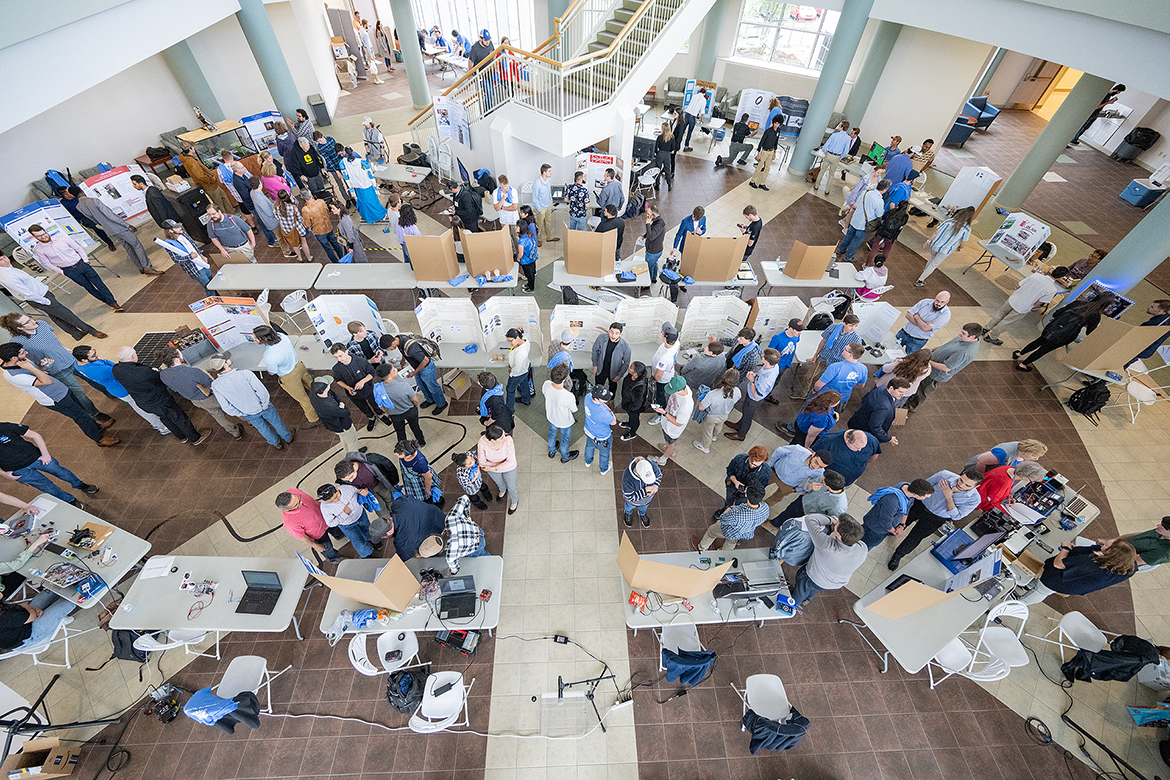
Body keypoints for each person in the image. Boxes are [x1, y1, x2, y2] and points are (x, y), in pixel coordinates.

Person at [0, 343, 118, 445]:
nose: (25, 352)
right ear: (13, 358)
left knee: (83, 410)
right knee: (80, 417)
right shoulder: (15, 376)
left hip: (62, 390)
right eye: (22, 352)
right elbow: (46, 381)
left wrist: (44, 365)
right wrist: (31, 368)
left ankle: (97, 428)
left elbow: (42, 373)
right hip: (55, 399)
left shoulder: (22, 361)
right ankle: (99, 439)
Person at [3, 313, 107, 418]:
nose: (33, 321)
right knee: (79, 393)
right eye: (27, 322)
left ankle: (110, 393)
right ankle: (95, 414)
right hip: (58, 370)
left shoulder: (42, 324)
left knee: (93, 378)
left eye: (30, 318)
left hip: (71, 359)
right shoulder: (18, 342)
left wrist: (63, 348)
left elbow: (53, 337)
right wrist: (43, 367)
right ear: (20, 328)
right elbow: (25, 360)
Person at [887, 469, 984, 570]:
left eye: (967, 485)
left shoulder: (974, 500)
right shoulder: (944, 475)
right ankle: (891, 531)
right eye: (961, 480)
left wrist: (948, 496)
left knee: (915, 537)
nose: (961, 485)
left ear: (976, 487)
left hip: (936, 518)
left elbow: (956, 516)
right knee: (901, 521)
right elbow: (924, 486)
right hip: (920, 505)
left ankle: (898, 555)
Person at [0, 253, 105, 341]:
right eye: (1, 259)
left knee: (56, 316)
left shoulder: (9, 269)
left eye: (4, 257)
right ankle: (91, 331)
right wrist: (45, 301)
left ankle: (76, 334)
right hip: (40, 298)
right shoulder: (7, 276)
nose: (6, 260)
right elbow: (26, 293)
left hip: (42, 294)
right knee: (66, 314)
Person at [72, 346, 169, 435]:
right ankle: (160, 426)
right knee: (141, 407)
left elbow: (106, 361)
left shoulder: (79, 364)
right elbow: (119, 372)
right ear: (84, 359)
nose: (96, 355)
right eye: (93, 355)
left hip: (115, 388)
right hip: (123, 389)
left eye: (95, 352)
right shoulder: (99, 371)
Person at [27, 224, 122, 311]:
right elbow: (47, 263)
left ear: (46, 231)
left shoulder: (62, 239)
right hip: (68, 270)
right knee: (89, 287)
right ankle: (106, 301)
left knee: (99, 283)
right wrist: (62, 272)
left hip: (81, 264)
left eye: (44, 233)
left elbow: (78, 248)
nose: (43, 237)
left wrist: (85, 261)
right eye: (39, 236)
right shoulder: (39, 249)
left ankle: (113, 302)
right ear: (34, 237)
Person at [0, 423, 98, 506]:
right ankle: (70, 500)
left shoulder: (4, 426)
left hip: (38, 458)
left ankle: (80, 484)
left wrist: (45, 454)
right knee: (47, 487)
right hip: (17, 471)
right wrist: (3, 474)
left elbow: (35, 435)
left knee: (61, 472)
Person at [155, 346, 242, 439]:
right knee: (235, 406)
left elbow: (175, 389)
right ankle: (250, 421)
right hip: (211, 397)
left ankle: (235, 432)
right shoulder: (191, 371)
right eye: (180, 353)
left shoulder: (163, 375)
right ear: (176, 360)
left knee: (217, 415)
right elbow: (210, 383)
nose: (182, 354)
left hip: (195, 400)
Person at [1014, 293, 1115, 371]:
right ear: (1106, 305)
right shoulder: (1096, 315)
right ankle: (1023, 365)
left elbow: (1056, 313)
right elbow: (1090, 332)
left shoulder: (1079, 303)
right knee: (1043, 350)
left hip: (1052, 327)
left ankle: (1019, 353)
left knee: (1039, 341)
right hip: (1064, 336)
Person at [207, 356, 292, 449]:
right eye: (227, 358)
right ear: (225, 363)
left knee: (262, 429)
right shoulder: (245, 373)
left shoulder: (215, 385)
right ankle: (288, 437)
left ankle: (276, 443)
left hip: (248, 413)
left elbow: (226, 406)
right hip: (263, 407)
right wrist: (264, 404)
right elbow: (261, 391)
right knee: (276, 422)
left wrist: (242, 413)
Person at [1022, 540, 1137, 604]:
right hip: (1076, 582)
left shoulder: (1090, 563)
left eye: (1107, 545)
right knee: (1037, 585)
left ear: (1111, 553)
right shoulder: (1126, 566)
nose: (1104, 543)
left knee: (1041, 591)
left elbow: (1058, 563)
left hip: (1058, 581)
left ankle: (1021, 602)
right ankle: (1028, 586)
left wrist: (1066, 548)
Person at [74, 190, 158, 274]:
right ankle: (147, 267)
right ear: (81, 191)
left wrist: (104, 225)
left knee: (128, 248)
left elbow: (93, 219)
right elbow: (110, 215)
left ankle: (140, 267)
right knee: (137, 245)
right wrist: (127, 225)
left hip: (109, 230)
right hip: (118, 227)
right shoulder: (93, 200)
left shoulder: (79, 207)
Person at [983, 266, 1072, 345]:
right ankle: (991, 336)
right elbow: (1038, 303)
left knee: (1000, 314)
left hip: (1013, 299)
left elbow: (1018, 285)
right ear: (1061, 278)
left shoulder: (1036, 275)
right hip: (1023, 307)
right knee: (1006, 322)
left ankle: (986, 328)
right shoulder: (1052, 289)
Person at [905, 323, 983, 412]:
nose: (960, 334)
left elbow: (946, 367)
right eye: (962, 331)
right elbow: (945, 346)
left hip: (935, 375)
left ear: (973, 337)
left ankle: (910, 407)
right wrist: (930, 350)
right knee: (917, 385)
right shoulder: (963, 338)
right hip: (930, 366)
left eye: (964, 333)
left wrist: (927, 361)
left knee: (922, 391)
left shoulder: (964, 352)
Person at [253, 325, 320, 427]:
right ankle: (325, 399)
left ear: (263, 339)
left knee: (303, 398)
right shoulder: (282, 336)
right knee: (313, 386)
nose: (254, 339)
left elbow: (272, 372)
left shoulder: (269, 356)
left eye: (255, 337)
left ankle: (313, 419)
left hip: (289, 377)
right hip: (298, 366)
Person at [418, 495, 487, 574]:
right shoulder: (451, 518)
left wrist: (451, 573)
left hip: (477, 546)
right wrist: (467, 516)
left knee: (483, 556)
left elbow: (455, 569)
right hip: (478, 530)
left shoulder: (451, 556)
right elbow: (464, 498)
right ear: (433, 535)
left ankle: (490, 564)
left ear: (439, 551)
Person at [725, 347, 781, 441]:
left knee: (748, 416)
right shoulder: (773, 365)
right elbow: (762, 372)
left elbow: (757, 396)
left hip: (754, 399)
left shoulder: (767, 380)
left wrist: (752, 382)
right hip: (752, 392)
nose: (761, 356)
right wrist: (755, 375)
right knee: (744, 410)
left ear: (766, 361)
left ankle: (741, 435)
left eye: (763, 356)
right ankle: (739, 425)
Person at [861, 479, 935, 550]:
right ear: (916, 495)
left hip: (883, 528)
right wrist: (894, 531)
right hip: (875, 529)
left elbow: (907, 509)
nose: (928, 497)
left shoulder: (908, 489)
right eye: (926, 496)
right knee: (864, 546)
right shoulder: (892, 502)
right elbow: (885, 522)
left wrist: (901, 525)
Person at [276, 489, 344, 563]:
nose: (301, 502)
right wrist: (315, 546)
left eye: (299, 498)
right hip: (319, 536)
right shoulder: (289, 522)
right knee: (328, 550)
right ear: (287, 510)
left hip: (327, 518)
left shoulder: (293, 490)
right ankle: (335, 559)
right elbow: (302, 537)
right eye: (297, 504)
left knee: (338, 532)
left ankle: (339, 536)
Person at [767, 469, 848, 531]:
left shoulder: (839, 506)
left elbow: (829, 521)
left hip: (808, 516)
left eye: (822, 480)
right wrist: (809, 486)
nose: (820, 479)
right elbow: (806, 486)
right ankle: (774, 524)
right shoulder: (824, 478)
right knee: (786, 513)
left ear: (828, 487)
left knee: (795, 527)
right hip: (802, 501)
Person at [386, 333, 447, 413]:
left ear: (392, 343)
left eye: (390, 349)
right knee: (421, 385)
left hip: (426, 368)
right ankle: (430, 400)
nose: (391, 350)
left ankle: (441, 403)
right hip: (417, 366)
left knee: (432, 387)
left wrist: (414, 372)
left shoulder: (412, 349)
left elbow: (425, 360)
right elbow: (403, 350)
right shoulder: (398, 339)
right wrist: (403, 360)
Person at [696, 484, 768, 552]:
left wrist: (730, 508)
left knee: (711, 532)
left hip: (728, 531)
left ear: (746, 495)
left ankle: (702, 549)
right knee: (731, 542)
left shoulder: (737, 514)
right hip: (744, 532)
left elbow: (723, 519)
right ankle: (722, 554)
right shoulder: (765, 508)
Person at [330, 343, 385, 431]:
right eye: (336, 357)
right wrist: (347, 387)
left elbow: (372, 373)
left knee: (375, 403)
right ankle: (371, 418)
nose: (339, 359)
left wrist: (362, 382)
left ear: (346, 352)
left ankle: (381, 415)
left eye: (340, 356)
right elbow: (338, 380)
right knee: (363, 407)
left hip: (368, 389)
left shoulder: (360, 361)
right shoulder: (336, 368)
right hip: (353, 394)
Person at [316, 483, 379, 558]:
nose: (336, 501)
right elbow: (330, 524)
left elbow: (359, 494)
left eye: (336, 497)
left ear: (336, 488)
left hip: (361, 515)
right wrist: (345, 513)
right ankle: (367, 555)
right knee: (359, 542)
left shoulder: (348, 489)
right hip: (347, 525)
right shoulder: (324, 507)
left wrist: (364, 493)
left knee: (369, 530)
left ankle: (373, 541)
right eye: (332, 501)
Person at [152, 219, 215, 295]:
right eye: (176, 227)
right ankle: (216, 303)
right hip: (195, 269)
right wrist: (190, 257)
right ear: (170, 231)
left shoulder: (183, 233)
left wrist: (201, 256)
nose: (180, 228)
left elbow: (193, 245)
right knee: (209, 287)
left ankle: (220, 299)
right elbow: (176, 260)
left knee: (213, 283)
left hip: (203, 263)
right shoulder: (170, 244)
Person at [834, 179, 889, 262]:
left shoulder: (866, 193)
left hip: (855, 219)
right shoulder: (879, 201)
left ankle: (841, 249)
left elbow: (856, 204)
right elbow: (879, 214)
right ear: (885, 190)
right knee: (856, 240)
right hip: (864, 225)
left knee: (848, 235)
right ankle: (848, 257)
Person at [916, 207, 974, 285]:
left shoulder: (948, 221)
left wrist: (928, 240)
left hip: (936, 245)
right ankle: (921, 279)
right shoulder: (967, 229)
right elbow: (962, 241)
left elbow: (936, 232)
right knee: (934, 265)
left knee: (931, 259)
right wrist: (960, 247)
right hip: (947, 250)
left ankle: (925, 272)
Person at [0, 596, 77, 655]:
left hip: (19, 623)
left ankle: (59, 617)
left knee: (52, 590)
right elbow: (30, 613)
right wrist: (31, 610)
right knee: (70, 600)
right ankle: (59, 617)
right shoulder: (5, 618)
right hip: (27, 636)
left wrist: (31, 610)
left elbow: (23, 605)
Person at [764, 445, 830, 510]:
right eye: (816, 462)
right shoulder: (797, 450)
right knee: (760, 484)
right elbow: (779, 451)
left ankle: (760, 508)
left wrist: (798, 489)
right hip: (775, 472)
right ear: (813, 454)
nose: (816, 467)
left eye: (820, 466)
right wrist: (769, 466)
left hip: (789, 485)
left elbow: (813, 483)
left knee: (776, 498)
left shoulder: (820, 472)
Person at [373, 364, 426, 445]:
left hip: (395, 415)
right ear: (389, 377)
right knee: (415, 427)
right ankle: (421, 443)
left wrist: (388, 412)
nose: (396, 370)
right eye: (394, 370)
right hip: (410, 411)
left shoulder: (378, 389)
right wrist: (415, 405)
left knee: (400, 432)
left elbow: (380, 405)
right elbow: (415, 399)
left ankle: (404, 448)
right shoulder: (404, 386)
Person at [848, 377, 909, 446]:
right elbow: (875, 427)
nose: (903, 395)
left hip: (858, 420)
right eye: (900, 391)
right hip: (864, 430)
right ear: (891, 388)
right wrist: (888, 438)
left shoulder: (882, 388)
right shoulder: (884, 406)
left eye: (904, 392)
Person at [691, 368, 740, 454]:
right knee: (719, 426)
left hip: (711, 416)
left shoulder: (712, 394)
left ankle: (705, 446)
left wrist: (700, 399)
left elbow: (701, 407)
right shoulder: (738, 392)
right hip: (725, 415)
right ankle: (715, 436)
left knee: (707, 432)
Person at [715, 445, 771, 519]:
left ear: (763, 461)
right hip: (732, 486)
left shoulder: (766, 472)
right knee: (729, 500)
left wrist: (749, 489)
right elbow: (730, 470)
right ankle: (725, 510)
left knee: (740, 506)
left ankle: (733, 517)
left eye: (755, 465)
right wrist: (735, 481)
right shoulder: (739, 458)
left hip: (746, 495)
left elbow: (762, 486)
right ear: (749, 455)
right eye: (751, 462)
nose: (752, 465)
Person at [805, 342, 868, 407]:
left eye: (846, 349)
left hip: (824, 399)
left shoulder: (835, 367)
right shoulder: (863, 369)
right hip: (841, 400)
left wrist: (814, 391)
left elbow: (818, 385)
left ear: (850, 355)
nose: (843, 349)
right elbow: (861, 385)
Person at [55, 186, 116, 251]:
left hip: (90, 213)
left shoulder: (77, 196)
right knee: (95, 226)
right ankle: (109, 242)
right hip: (82, 218)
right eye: (69, 191)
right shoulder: (64, 204)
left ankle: (111, 229)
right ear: (65, 194)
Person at [477, 425, 519, 514]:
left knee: (512, 486)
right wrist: (502, 463)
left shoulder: (508, 440)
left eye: (504, 434)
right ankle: (502, 490)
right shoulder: (482, 441)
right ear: (492, 440)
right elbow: (482, 462)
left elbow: (510, 462)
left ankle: (514, 501)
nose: (505, 437)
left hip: (508, 468)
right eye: (502, 437)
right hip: (493, 469)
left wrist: (493, 466)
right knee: (499, 482)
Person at [976, 460, 1047, 512]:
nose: (1030, 482)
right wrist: (1007, 511)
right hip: (978, 499)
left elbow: (1006, 487)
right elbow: (992, 501)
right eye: (1031, 480)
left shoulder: (1011, 469)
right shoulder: (1004, 482)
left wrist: (1008, 495)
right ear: (1025, 476)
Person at [310, 381, 360, 454]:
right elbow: (345, 413)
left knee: (344, 439)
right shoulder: (328, 406)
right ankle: (355, 459)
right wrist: (342, 407)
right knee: (352, 441)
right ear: (324, 390)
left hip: (334, 426)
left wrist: (339, 403)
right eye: (327, 386)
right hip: (343, 425)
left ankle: (348, 453)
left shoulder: (314, 395)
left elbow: (333, 395)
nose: (329, 386)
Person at [653, 375, 692, 466]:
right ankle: (670, 449)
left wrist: (664, 414)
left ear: (680, 390)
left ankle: (663, 459)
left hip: (673, 428)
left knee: (671, 443)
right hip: (667, 422)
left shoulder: (686, 406)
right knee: (669, 442)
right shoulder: (682, 388)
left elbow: (678, 423)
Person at [1099, 518, 1170, 568]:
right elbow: (1137, 535)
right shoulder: (1161, 532)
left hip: (1116, 562)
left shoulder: (1163, 553)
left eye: (1163, 527)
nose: (1158, 525)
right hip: (1112, 550)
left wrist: (1103, 553)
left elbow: (1131, 561)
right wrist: (1113, 541)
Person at [543, 362, 578, 463]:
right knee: (565, 439)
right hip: (565, 422)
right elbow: (574, 410)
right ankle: (565, 456)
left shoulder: (546, 384)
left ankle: (552, 451)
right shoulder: (568, 396)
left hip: (551, 417)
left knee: (552, 434)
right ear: (565, 379)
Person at [765, 318, 805, 400]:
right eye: (798, 330)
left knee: (777, 381)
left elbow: (796, 341)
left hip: (786, 364)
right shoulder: (777, 338)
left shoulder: (796, 336)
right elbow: (769, 352)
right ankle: (763, 394)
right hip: (776, 366)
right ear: (791, 329)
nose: (800, 333)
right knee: (769, 381)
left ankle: (768, 394)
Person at [1126, 299, 1170, 367]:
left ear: (1160, 311)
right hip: (1144, 350)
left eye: (1152, 307)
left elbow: (1139, 332)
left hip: (1138, 349)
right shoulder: (1166, 318)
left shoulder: (1157, 323)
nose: (1149, 308)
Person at [649, 322, 681, 416]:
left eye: (662, 333)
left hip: (662, 380)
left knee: (660, 395)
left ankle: (660, 413)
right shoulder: (676, 343)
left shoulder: (664, 358)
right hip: (669, 372)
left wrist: (653, 382)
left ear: (665, 337)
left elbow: (658, 376)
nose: (661, 333)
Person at [591, 323, 631, 396]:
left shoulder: (625, 346)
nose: (613, 335)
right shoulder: (601, 337)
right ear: (608, 331)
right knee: (598, 385)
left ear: (620, 334)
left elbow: (626, 362)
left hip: (614, 371)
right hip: (601, 368)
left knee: (612, 387)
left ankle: (611, 400)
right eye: (611, 332)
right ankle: (597, 398)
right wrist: (595, 365)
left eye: (616, 333)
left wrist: (619, 375)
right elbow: (594, 350)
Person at [965, 439, 1049, 474]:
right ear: (1026, 451)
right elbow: (981, 460)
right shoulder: (1004, 453)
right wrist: (981, 479)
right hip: (975, 472)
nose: (1036, 459)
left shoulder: (1023, 455)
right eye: (1034, 455)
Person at [866, 200, 909, 266]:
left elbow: (883, 217)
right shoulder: (905, 217)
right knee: (886, 250)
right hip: (891, 236)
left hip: (881, 232)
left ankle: (867, 264)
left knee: (874, 249)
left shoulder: (892, 211)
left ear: (898, 205)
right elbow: (900, 228)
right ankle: (880, 264)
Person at [622, 456, 661, 528]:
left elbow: (659, 475)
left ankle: (642, 514)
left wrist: (656, 485)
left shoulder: (652, 466)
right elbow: (629, 497)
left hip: (647, 500)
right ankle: (628, 513)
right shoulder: (627, 479)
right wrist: (646, 490)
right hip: (632, 502)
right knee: (629, 506)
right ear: (638, 474)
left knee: (644, 507)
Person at [816, 120, 853, 194]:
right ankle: (827, 190)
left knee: (822, 171)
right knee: (831, 174)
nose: (838, 126)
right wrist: (840, 157)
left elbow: (825, 146)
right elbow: (846, 151)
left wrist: (826, 153)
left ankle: (816, 186)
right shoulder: (848, 138)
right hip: (836, 157)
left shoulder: (834, 135)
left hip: (829, 155)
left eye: (839, 125)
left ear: (842, 127)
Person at [619, 361, 650, 443]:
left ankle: (632, 433)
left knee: (634, 418)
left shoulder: (639, 387)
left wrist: (628, 407)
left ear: (636, 372)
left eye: (631, 367)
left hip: (633, 408)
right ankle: (630, 424)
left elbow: (637, 404)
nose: (629, 367)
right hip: (628, 403)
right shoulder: (630, 376)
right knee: (631, 417)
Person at [749, 114, 782, 191]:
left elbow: (776, 142)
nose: (777, 125)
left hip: (771, 152)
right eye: (776, 123)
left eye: (778, 124)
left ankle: (762, 183)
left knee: (767, 169)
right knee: (759, 167)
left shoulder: (778, 131)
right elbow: (761, 142)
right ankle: (752, 181)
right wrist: (758, 154)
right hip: (764, 152)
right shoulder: (767, 131)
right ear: (773, 122)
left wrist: (774, 152)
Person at [313, 131, 349, 200]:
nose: (320, 142)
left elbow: (338, 151)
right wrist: (336, 171)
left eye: (320, 140)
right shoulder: (320, 148)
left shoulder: (331, 139)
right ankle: (347, 199)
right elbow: (328, 160)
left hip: (341, 164)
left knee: (347, 181)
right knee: (340, 184)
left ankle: (352, 198)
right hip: (333, 168)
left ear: (322, 137)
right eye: (318, 141)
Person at [504, 328, 531, 410]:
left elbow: (517, 369)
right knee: (524, 383)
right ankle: (526, 399)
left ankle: (509, 409)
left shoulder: (520, 353)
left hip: (518, 372)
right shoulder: (525, 340)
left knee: (510, 389)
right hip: (526, 366)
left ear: (517, 338)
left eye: (511, 340)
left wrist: (511, 372)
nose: (509, 343)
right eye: (508, 341)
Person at [533, 163, 556, 244]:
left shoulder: (548, 180)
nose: (551, 173)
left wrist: (551, 202)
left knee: (548, 222)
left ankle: (549, 237)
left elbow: (549, 192)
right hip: (541, 208)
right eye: (549, 171)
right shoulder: (537, 184)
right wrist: (539, 210)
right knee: (539, 225)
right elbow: (534, 199)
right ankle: (538, 239)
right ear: (544, 173)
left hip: (548, 205)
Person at [516, 212, 538, 292]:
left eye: (517, 226)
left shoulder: (521, 241)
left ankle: (531, 288)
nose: (515, 228)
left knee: (529, 275)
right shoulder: (529, 234)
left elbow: (521, 254)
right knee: (532, 273)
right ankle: (529, 285)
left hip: (526, 260)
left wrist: (518, 259)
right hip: (533, 257)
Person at [654, 122, 676, 192]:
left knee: (658, 170)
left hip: (660, 154)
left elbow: (655, 148)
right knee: (667, 170)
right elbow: (673, 149)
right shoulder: (672, 137)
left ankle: (657, 185)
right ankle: (669, 184)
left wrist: (657, 153)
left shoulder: (660, 137)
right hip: (667, 155)